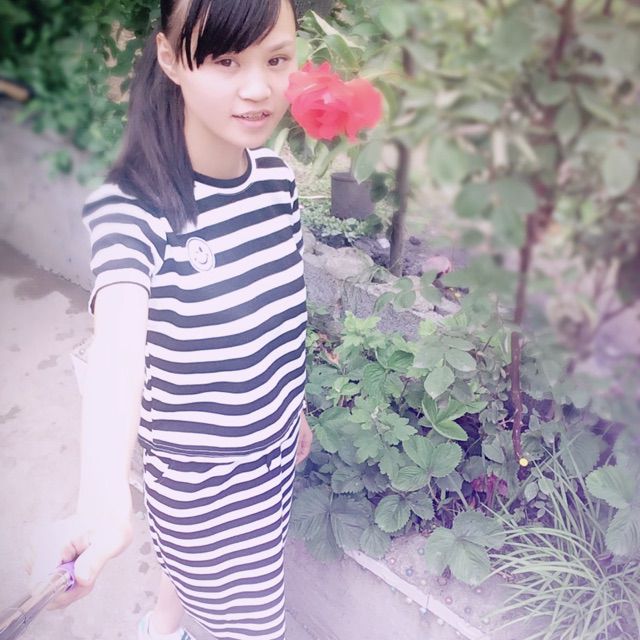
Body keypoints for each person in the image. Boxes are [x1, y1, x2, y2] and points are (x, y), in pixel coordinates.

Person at [37, 1, 313, 638]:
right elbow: (118, 352)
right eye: (226, 60)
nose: (258, 88)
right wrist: (104, 500)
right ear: (169, 57)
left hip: (273, 457)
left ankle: (161, 625)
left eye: (276, 59)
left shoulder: (277, 182)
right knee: (253, 624)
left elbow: (277, 322)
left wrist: (291, 411)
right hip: (206, 493)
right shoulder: (133, 210)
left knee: (197, 586)